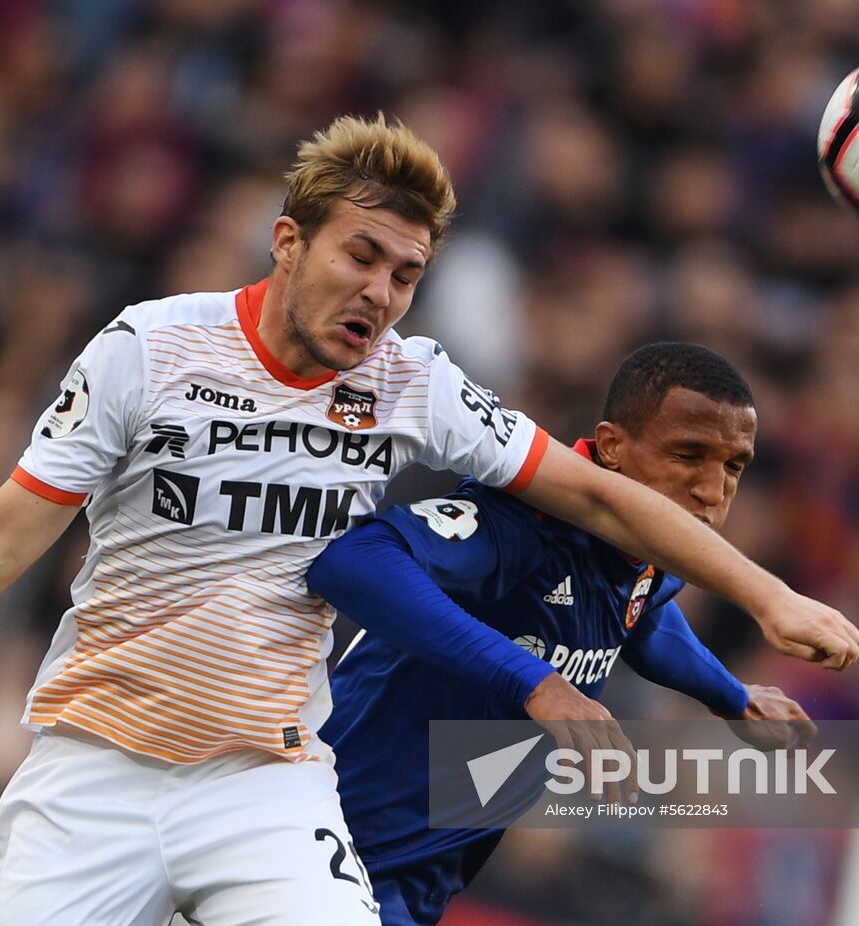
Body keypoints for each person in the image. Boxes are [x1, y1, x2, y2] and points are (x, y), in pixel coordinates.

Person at [0, 116, 857, 925]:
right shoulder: (149, 348)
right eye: (361, 254)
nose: (380, 292)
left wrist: (768, 597)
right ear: (288, 240)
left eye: (405, 273)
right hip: (91, 768)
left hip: (264, 777)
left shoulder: (413, 382)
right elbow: (1, 532)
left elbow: (607, 498)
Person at [309, 342, 818, 925]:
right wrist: (537, 683)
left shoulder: (642, 555)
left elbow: (643, 616)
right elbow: (352, 561)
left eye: (733, 466)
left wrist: (730, 696)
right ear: (612, 447)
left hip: (430, 866)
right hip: (342, 846)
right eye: (689, 454)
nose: (712, 489)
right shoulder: (524, 522)